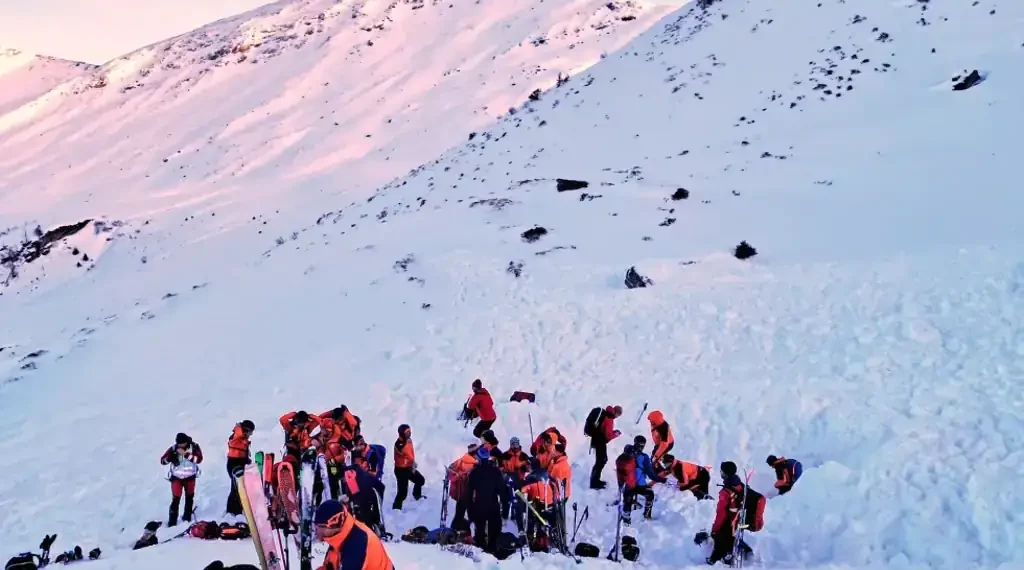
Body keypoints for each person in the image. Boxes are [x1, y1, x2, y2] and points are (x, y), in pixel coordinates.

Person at [313, 500, 394, 570]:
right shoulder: (341, 535)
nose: (316, 532)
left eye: (320, 527)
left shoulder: (356, 545)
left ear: (334, 525)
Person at [707, 461, 752, 566]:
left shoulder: (725, 492)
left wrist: (715, 529)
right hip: (739, 518)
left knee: (718, 536)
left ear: (725, 474)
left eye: (722, 471)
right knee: (730, 536)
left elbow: (721, 514)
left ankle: (716, 558)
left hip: (730, 521)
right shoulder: (740, 484)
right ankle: (733, 551)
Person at [466, 447, 505, 554]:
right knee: (495, 530)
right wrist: (505, 508)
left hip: (479, 504)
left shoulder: (474, 472)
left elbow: (469, 493)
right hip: (493, 504)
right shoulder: (495, 471)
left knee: (480, 531)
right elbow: (501, 490)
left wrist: (470, 511)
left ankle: (481, 551)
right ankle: (493, 550)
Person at [160, 433, 204, 527]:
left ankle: (187, 518)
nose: (180, 446)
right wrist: (170, 458)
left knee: (189, 498)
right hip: (176, 478)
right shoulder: (173, 448)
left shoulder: (194, 447)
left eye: (182, 444)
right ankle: (172, 522)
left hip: (190, 477)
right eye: (178, 444)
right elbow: (162, 461)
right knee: (175, 499)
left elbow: (199, 460)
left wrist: (186, 454)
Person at [341, 461, 387, 533]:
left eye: (343, 480)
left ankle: (376, 528)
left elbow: (356, 494)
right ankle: (374, 525)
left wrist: (350, 499)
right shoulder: (354, 472)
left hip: (373, 492)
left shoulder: (351, 477)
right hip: (372, 489)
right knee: (369, 511)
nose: (343, 481)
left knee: (369, 512)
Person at [447, 443, 480, 532]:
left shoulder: (462, 460)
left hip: (462, 493)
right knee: (468, 514)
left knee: (461, 514)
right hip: (466, 493)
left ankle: (456, 529)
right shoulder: (472, 464)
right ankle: (456, 530)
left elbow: (450, 469)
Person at [226, 420, 255, 516]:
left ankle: (238, 508)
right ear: (246, 430)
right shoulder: (237, 435)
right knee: (236, 488)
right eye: (250, 432)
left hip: (240, 463)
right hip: (234, 464)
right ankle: (232, 511)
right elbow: (238, 435)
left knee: (241, 487)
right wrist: (241, 429)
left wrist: (247, 460)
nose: (251, 434)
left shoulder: (242, 437)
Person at [589, 405, 622, 489]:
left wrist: (613, 432)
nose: (617, 417)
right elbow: (608, 436)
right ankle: (594, 482)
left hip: (597, 439)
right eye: (618, 415)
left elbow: (605, 431)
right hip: (600, 441)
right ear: (616, 412)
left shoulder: (606, 415)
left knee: (601, 460)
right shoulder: (609, 418)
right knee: (601, 461)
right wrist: (615, 434)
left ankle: (595, 480)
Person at [392, 424, 425, 510]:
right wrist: (411, 463)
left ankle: (417, 495)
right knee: (402, 493)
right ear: (402, 433)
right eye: (407, 432)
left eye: (410, 431)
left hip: (408, 468)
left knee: (420, 480)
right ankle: (396, 508)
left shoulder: (408, 440)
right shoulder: (399, 444)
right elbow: (404, 455)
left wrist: (412, 463)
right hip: (401, 470)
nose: (409, 433)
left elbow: (410, 454)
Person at [499, 437, 530, 520]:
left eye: (516, 444)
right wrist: (504, 471)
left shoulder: (524, 456)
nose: (515, 446)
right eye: (513, 444)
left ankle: (517, 515)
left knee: (518, 499)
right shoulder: (505, 455)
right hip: (508, 479)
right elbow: (500, 467)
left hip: (519, 480)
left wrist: (524, 467)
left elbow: (529, 468)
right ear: (510, 445)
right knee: (506, 499)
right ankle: (504, 515)